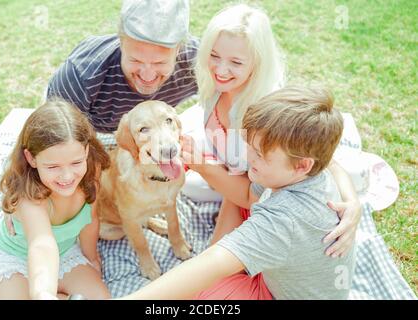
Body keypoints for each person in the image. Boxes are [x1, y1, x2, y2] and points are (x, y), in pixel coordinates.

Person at [121, 85, 356, 300]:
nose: (247, 157)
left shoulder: (282, 220)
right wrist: (354, 200)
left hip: (274, 294)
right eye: (250, 147)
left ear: (303, 165)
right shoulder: (306, 167)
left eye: (260, 155)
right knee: (237, 189)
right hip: (289, 268)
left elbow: (211, 264)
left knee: (199, 296)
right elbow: (332, 164)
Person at [180, 4, 360, 257]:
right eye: (214, 55)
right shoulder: (214, 86)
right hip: (238, 184)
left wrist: (353, 203)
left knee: (212, 269)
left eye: (236, 62)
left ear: (258, 61)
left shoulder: (267, 108)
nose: (220, 69)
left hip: (262, 198)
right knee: (186, 188)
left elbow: (325, 161)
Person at [0, 99, 111, 300]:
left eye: (76, 162)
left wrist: (92, 258)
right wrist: (43, 293)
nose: (67, 176)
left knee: (100, 298)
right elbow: (41, 243)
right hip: (16, 258)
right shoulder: (29, 195)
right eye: (53, 167)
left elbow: (91, 220)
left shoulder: (90, 173)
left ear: (86, 151)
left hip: (65, 253)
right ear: (31, 159)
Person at [47, 0, 197, 133]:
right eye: (136, 60)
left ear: (179, 49)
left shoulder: (200, 62)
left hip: (152, 133)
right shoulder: (80, 76)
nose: (147, 76)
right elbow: (58, 137)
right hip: (94, 134)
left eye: (160, 63)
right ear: (121, 42)